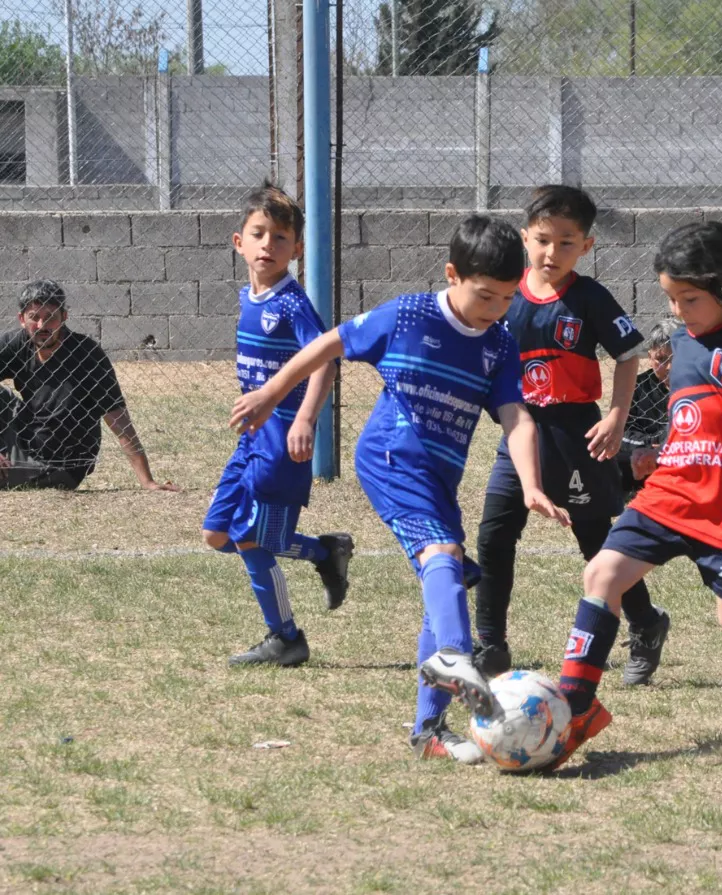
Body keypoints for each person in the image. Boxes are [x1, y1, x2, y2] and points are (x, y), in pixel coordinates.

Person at [230, 215, 569, 764]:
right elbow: (330, 345)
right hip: (390, 458)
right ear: (452, 274)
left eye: (507, 299)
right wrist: (272, 391)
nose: (497, 309)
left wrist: (531, 482)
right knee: (442, 556)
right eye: (486, 296)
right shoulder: (408, 315)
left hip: (438, 477)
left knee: (448, 574)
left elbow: (518, 418)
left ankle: (428, 730)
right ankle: (457, 657)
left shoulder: (501, 344)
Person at [548, 221, 722, 771]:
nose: (678, 310)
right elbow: (689, 419)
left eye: (689, 299)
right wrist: (654, 453)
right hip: (670, 490)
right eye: (671, 299)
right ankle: (577, 706)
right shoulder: (679, 343)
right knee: (601, 574)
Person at [472, 185, 670, 686]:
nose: (551, 252)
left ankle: (646, 625)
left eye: (566, 242)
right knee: (494, 535)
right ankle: (490, 645)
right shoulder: (506, 292)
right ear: (524, 239)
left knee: (597, 541)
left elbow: (628, 356)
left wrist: (616, 417)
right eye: (542, 240)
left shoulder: (590, 298)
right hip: (520, 431)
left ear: (587, 246)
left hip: (577, 434)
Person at [200, 183, 354, 668]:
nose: (269, 245)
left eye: (281, 237)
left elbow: (326, 362)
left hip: (283, 440)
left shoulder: (291, 303)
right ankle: (322, 553)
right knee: (218, 535)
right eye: (259, 234)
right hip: (251, 439)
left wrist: (305, 418)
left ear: (297, 249)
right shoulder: (250, 297)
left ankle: (285, 638)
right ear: (238, 242)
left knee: (250, 538)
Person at [0, 279, 177, 492]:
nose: (42, 326)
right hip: (26, 435)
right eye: (34, 318)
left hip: (60, 463)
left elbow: (119, 421)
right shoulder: (16, 343)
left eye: (50, 318)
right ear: (22, 319)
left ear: (64, 317)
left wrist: (147, 482)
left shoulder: (87, 356)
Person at [617, 319, 674, 496]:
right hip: (641, 458)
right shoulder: (637, 386)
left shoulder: (696, 387)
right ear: (649, 357)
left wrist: (662, 446)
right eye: (661, 359)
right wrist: (649, 446)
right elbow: (621, 434)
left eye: (676, 358)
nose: (670, 367)